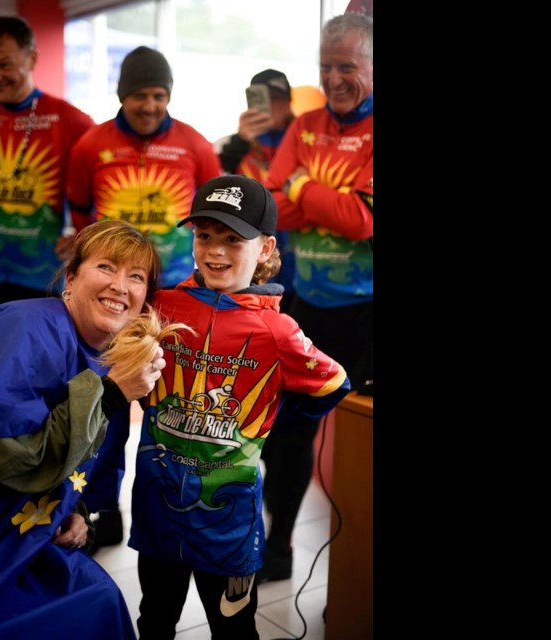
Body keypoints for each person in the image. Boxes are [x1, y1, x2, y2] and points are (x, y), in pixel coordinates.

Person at [128, 175, 351, 639]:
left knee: (233, 630)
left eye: (233, 238)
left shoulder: (279, 330)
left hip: (226, 526)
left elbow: (334, 382)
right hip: (158, 507)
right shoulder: (161, 306)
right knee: (154, 620)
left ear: (266, 247)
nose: (215, 250)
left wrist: (266, 426)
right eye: (204, 235)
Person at [0, 220, 167, 640]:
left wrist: (74, 512)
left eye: (135, 277)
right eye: (106, 267)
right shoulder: (22, 329)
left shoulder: (107, 358)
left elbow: (79, 464)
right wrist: (113, 393)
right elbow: (8, 459)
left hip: (25, 536)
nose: (120, 286)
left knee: (102, 597)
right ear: (71, 277)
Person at [67, 45, 221, 550]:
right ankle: (100, 509)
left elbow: (217, 224)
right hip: (116, 301)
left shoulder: (195, 146)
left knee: (169, 413)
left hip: (172, 303)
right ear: (122, 96)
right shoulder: (92, 144)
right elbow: (76, 210)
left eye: (158, 95)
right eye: (139, 96)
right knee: (108, 406)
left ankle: (171, 509)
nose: (149, 105)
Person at [259, 12, 373, 583]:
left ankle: (354, 581)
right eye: (326, 67)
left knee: (361, 443)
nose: (333, 78)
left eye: (346, 66)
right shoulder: (304, 126)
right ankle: (278, 546)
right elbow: (272, 209)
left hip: (367, 314)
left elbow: (362, 221)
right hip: (308, 305)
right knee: (285, 434)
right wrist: (324, 198)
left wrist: (303, 184)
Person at [0, 15, 95, 322]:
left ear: (32, 58)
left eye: (5, 64)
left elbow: (102, 178)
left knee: (39, 367)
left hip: (42, 278)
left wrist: (84, 234)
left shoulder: (70, 120)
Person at [218, 68, 297, 313]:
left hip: (298, 255)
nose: (271, 106)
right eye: (264, 99)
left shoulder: (306, 141)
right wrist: (240, 141)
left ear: (289, 103)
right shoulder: (232, 144)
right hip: (250, 258)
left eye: (278, 99)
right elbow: (214, 189)